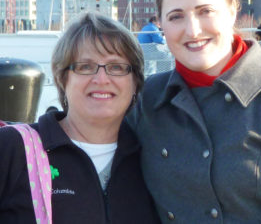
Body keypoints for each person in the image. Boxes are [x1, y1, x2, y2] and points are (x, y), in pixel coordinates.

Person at [127, 0, 261, 223]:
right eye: (176, 16)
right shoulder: (146, 99)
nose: (193, 30)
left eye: (205, 11)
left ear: (232, 12)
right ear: (160, 22)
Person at [0, 11, 160, 224]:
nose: (101, 79)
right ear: (62, 79)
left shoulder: (153, 158)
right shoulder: (12, 149)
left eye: (116, 67)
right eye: (85, 67)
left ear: (135, 83)